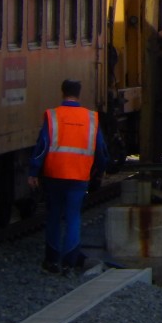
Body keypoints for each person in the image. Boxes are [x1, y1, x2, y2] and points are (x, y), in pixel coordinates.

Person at [27, 79, 109, 274]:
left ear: (62, 93)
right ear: (79, 94)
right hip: (79, 176)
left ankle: (52, 260)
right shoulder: (91, 118)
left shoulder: (53, 116)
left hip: (54, 174)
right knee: (73, 217)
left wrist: (33, 171)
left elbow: (42, 146)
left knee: (54, 216)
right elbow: (100, 149)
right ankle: (69, 262)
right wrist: (101, 169)